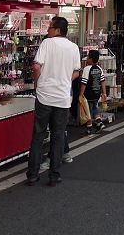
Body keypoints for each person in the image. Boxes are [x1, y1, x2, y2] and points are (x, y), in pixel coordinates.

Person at [26, 16, 81, 187]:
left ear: (57, 29)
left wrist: (37, 81)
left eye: (50, 27)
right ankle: (54, 175)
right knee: (58, 137)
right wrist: (64, 80)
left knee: (38, 135)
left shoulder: (47, 43)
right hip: (63, 98)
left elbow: (36, 66)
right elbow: (77, 72)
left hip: (44, 96)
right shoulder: (73, 47)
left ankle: (33, 175)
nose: (48, 30)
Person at [80, 49, 107, 134]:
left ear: (91, 59)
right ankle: (99, 123)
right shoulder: (100, 68)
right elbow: (102, 81)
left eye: (88, 57)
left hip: (88, 93)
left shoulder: (87, 69)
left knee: (88, 111)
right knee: (95, 108)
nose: (86, 59)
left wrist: (81, 95)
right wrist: (104, 93)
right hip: (97, 93)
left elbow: (84, 83)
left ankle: (89, 129)